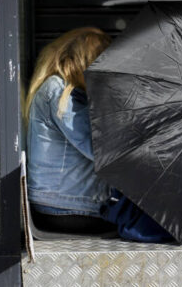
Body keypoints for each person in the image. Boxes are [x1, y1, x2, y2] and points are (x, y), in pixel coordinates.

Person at [24, 27, 115, 234]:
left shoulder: (58, 88)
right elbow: (99, 149)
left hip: (63, 203)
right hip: (68, 207)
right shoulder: (60, 91)